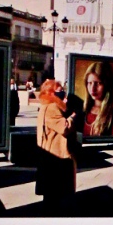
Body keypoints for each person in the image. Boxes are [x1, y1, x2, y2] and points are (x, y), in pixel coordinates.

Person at [34, 79, 76, 209]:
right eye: (59, 90)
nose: (62, 92)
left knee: (50, 194)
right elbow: (64, 128)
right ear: (51, 92)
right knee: (55, 195)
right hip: (56, 156)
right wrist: (72, 117)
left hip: (49, 155)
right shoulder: (52, 107)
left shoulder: (45, 106)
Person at [81, 60, 113, 139]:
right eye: (89, 83)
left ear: (107, 84)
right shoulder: (83, 110)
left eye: (98, 83)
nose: (92, 88)